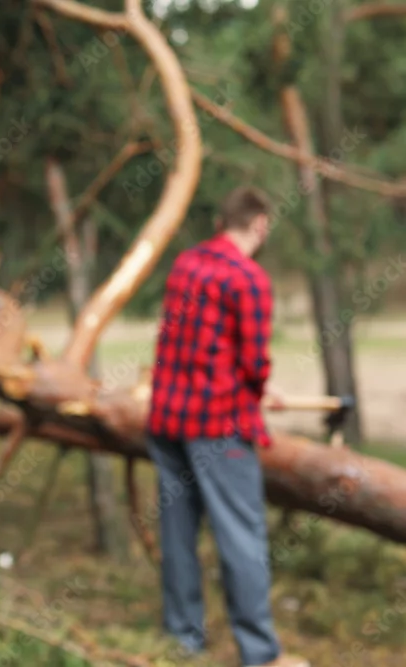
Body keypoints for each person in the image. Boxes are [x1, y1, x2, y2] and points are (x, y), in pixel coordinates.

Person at [146, 186, 308, 667]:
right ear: (260, 224)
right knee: (241, 538)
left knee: (178, 534)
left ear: (223, 222)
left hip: (168, 419)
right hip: (218, 427)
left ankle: (181, 640)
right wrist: (259, 389)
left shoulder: (187, 264)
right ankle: (261, 654)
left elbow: (192, 345)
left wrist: (256, 388)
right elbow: (254, 362)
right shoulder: (248, 277)